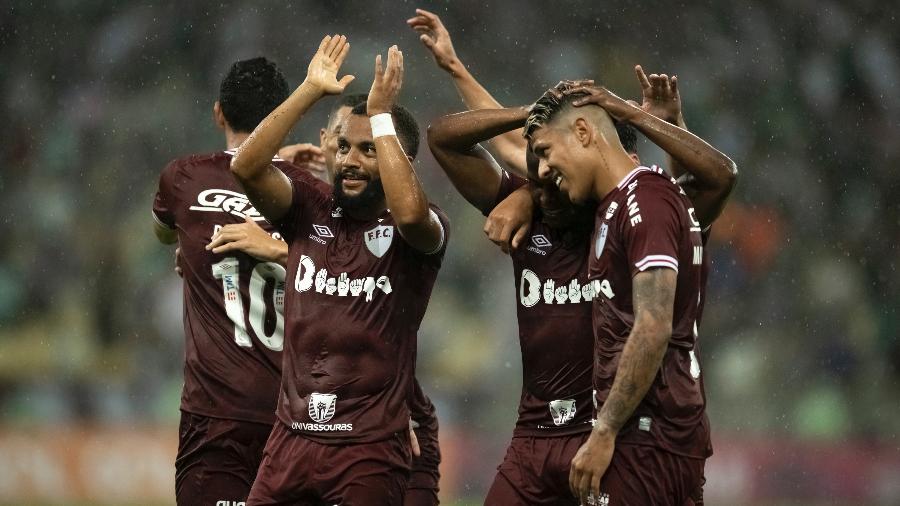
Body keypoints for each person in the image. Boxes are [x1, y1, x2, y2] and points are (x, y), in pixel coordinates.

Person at [230, 35, 449, 505]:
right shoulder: (308, 206)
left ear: (399, 163)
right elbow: (246, 167)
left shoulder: (419, 229)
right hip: (290, 439)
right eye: (344, 146)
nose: (350, 160)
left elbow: (412, 214)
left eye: (370, 150)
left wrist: (384, 114)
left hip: (367, 447)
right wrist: (310, 89)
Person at [522, 80, 736, 505]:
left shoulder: (646, 201)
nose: (542, 169)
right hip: (655, 432)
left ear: (583, 132)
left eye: (545, 151)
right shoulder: (620, 204)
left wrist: (604, 430)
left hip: (647, 431)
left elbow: (653, 326)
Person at [152, 56, 314, 505]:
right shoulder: (311, 193)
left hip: (217, 411)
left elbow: (163, 231)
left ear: (219, 112)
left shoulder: (183, 178)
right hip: (296, 415)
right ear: (283, 114)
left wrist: (189, 239)